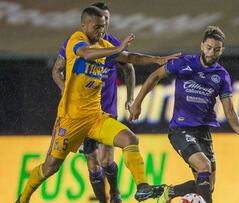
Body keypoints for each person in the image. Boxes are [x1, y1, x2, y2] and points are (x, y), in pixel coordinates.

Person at [16, 6, 179, 203]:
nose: (101, 31)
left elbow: (130, 58)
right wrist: (118, 49)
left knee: (130, 139)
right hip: (71, 120)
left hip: (95, 117)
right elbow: (85, 53)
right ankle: (23, 199)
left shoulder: (103, 44)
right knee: (51, 167)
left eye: (103, 27)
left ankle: (142, 187)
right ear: (83, 25)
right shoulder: (75, 41)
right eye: (96, 27)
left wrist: (158, 60)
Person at [128, 25, 239, 203]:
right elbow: (155, 76)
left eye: (216, 50)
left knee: (208, 185)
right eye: (208, 48)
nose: (211, 53)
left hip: (203, 133)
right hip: (181, 130)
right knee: (204, 166)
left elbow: (229, 110)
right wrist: (137, 102)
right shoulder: (184, 63)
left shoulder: (221, 76)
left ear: (222, 50)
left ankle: (168, 193)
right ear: (201, 46)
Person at [51, 2, 158, 203]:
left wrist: (129, 97)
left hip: (106, 109)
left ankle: (115, 193)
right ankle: (103, 200)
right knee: (93, 166)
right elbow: (57, 70)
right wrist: (66, 92)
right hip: (82, 113)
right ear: (88, 23)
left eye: (107, 20)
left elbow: (129, 67)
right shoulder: (76, 43)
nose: (104, 24)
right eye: (100, 21)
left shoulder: (112, 44)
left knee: (107, 160)